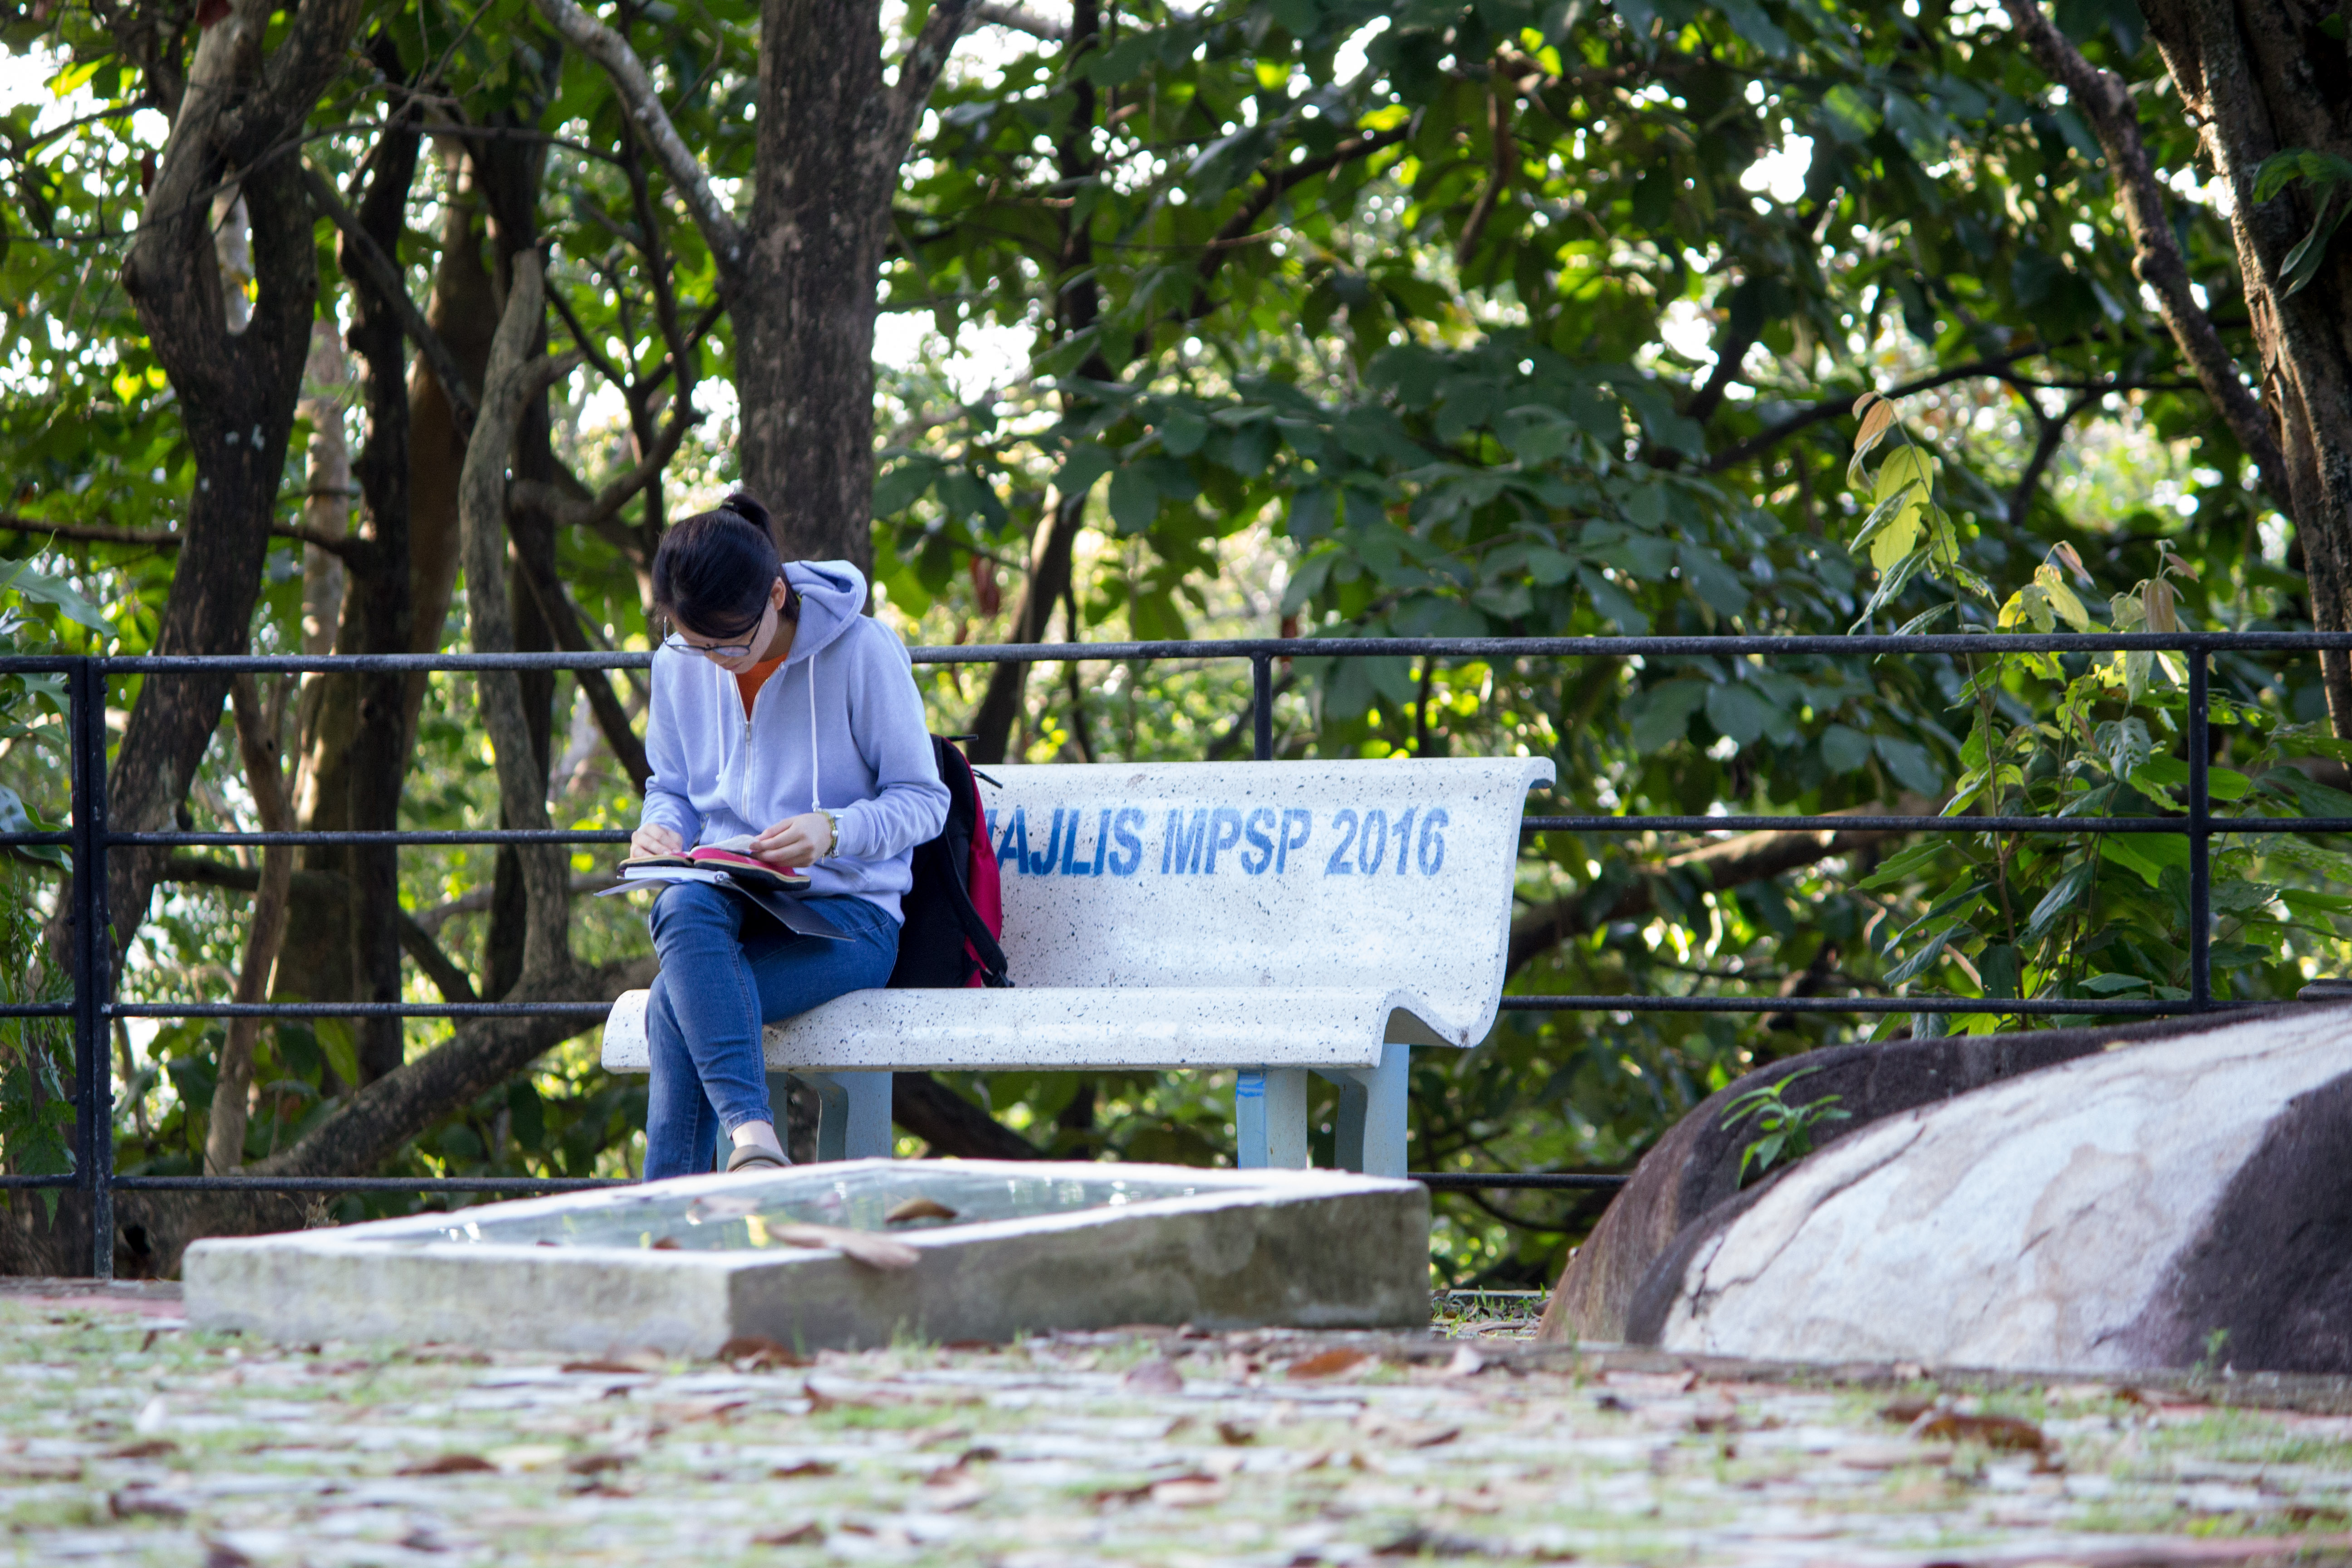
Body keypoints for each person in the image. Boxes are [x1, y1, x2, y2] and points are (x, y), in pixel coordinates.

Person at [630, 493, 948, 1179]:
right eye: (694, 642)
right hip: (730, 901)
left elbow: (925, 801)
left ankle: (682, 1203)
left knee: (673, 1004)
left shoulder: (861, 652)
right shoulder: (681, 661)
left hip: (851, 919)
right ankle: (751, 1141)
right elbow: (672, 787)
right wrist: (660, 828)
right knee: (679, 904)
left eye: (730, 643)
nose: (715, 660)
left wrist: (832, 830)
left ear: (776, 595)